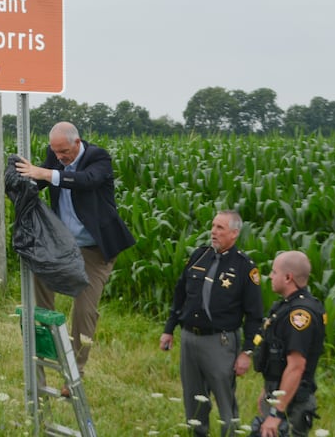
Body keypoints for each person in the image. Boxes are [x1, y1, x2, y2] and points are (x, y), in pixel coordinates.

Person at [14, 121, 136, 396]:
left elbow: (86, 181)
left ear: (77, 143)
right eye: (55, 153)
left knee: (84, 310)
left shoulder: (98, 157)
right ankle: (43, 359)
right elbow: (38, 182)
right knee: (40, 290)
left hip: (95, 250)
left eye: (64, 152)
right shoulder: (55, 155)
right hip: (63, 247)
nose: (59, 158)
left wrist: (46, 172)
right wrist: (21, 180)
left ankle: (74, 373)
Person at [159, 210, 263, 437]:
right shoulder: (199, 255)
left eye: (220, 228)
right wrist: (169, 330)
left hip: (220, 342)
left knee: (226, 403)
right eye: (213, 226)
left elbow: (255, 316)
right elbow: (180, 296)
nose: (213, 232)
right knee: (193, 400)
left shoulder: (245, 267)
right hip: (189, 339)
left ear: (234, 234)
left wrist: (247, 351)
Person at [251, 251, 325, 437]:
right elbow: (278, 359)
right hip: (279, 395)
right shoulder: (284, 307)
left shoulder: (299, 315)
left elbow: (296, 366)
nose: (270, 276)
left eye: (274, 272)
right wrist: (267, 390)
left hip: (292, 405)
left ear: (288, 277)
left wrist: (276, 413)